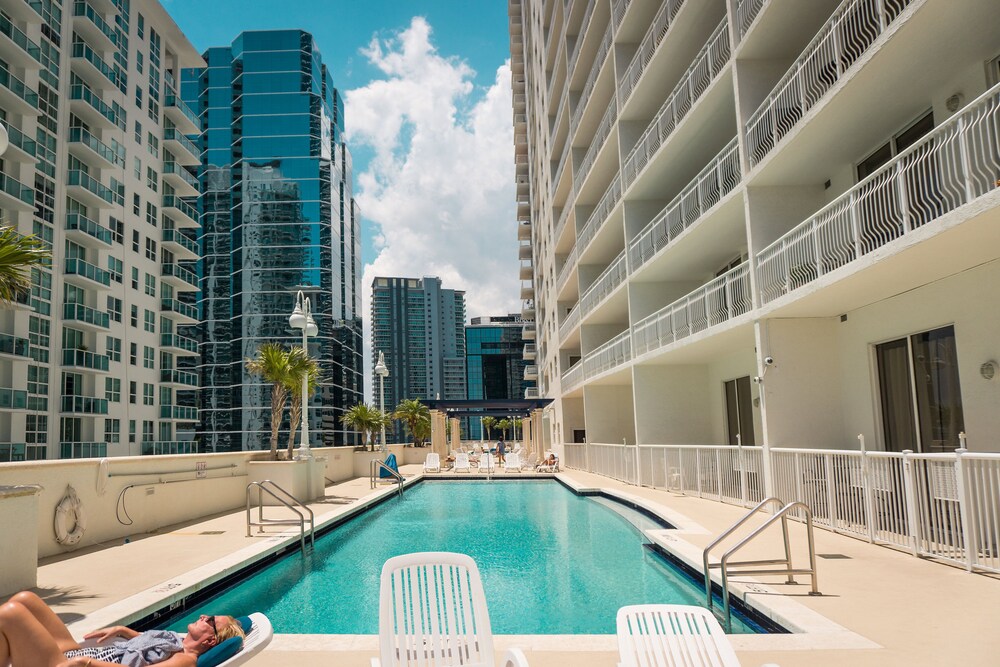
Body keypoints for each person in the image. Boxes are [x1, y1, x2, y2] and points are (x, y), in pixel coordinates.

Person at [0, 590, 244, 666]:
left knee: (10, 615)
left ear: (211, 641)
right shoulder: (176, 642)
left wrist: (87, 663)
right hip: (78, 655)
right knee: (25, 599)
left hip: (74, 665)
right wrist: (122, 630)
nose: (204, 615)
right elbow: (147, 644)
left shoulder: (187, 659)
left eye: (210, 620)